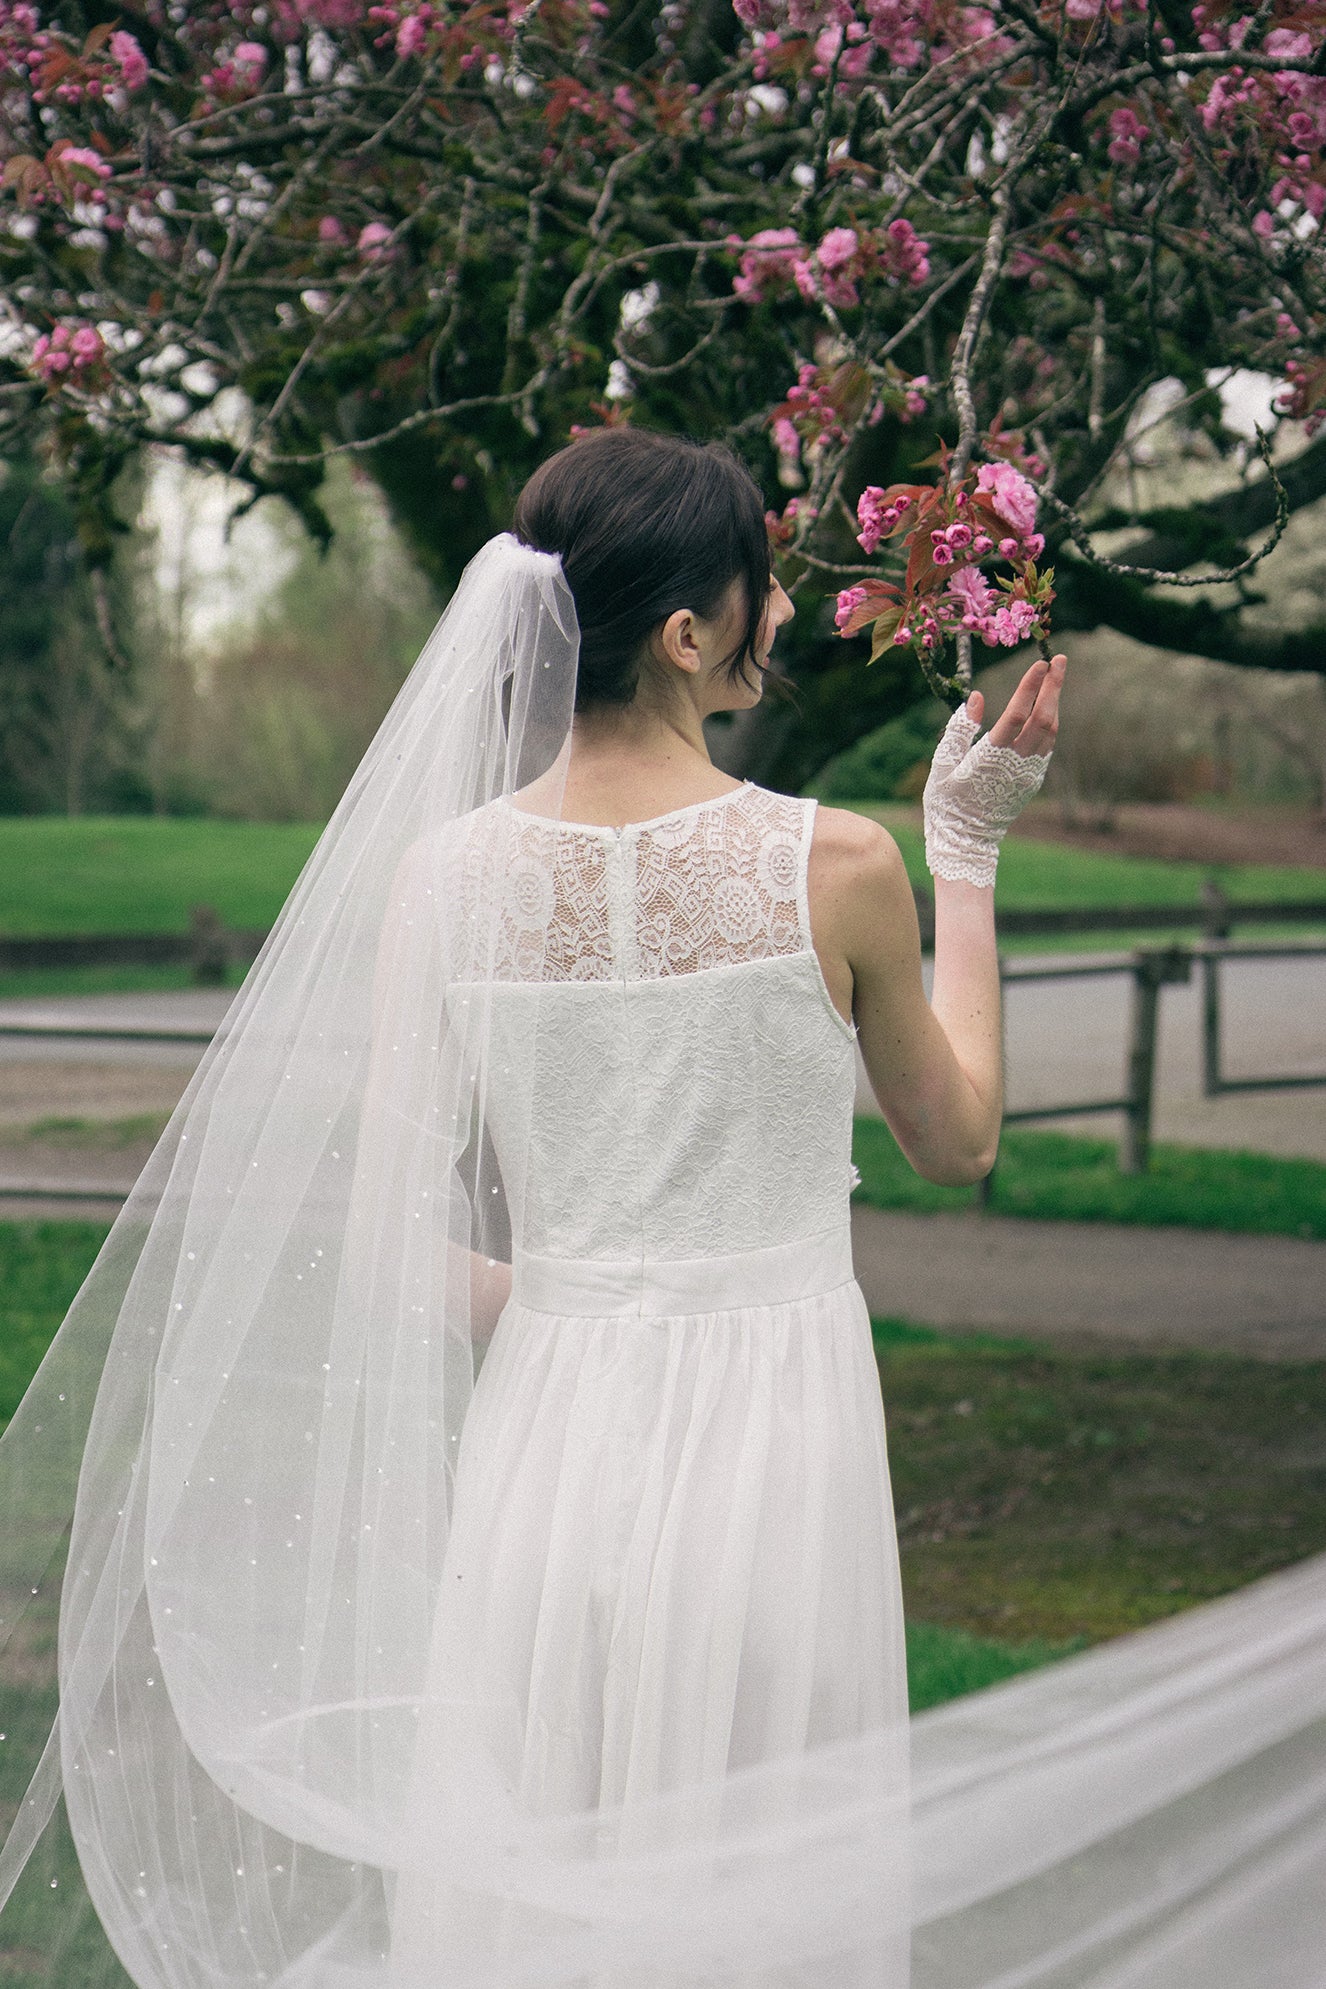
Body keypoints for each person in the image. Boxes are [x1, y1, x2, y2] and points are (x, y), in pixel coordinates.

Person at [0, 426, 1058, 1989]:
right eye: (758, 585)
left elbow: (380, 1225)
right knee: (759, 1846)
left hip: (547, 1429)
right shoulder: (835, 863)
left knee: (545, 1842)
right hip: (770, 1427)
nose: (781, 611)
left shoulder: (445, 879)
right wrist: (965, 851)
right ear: (687, 633)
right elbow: (956, 1138)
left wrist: (569, 1304)